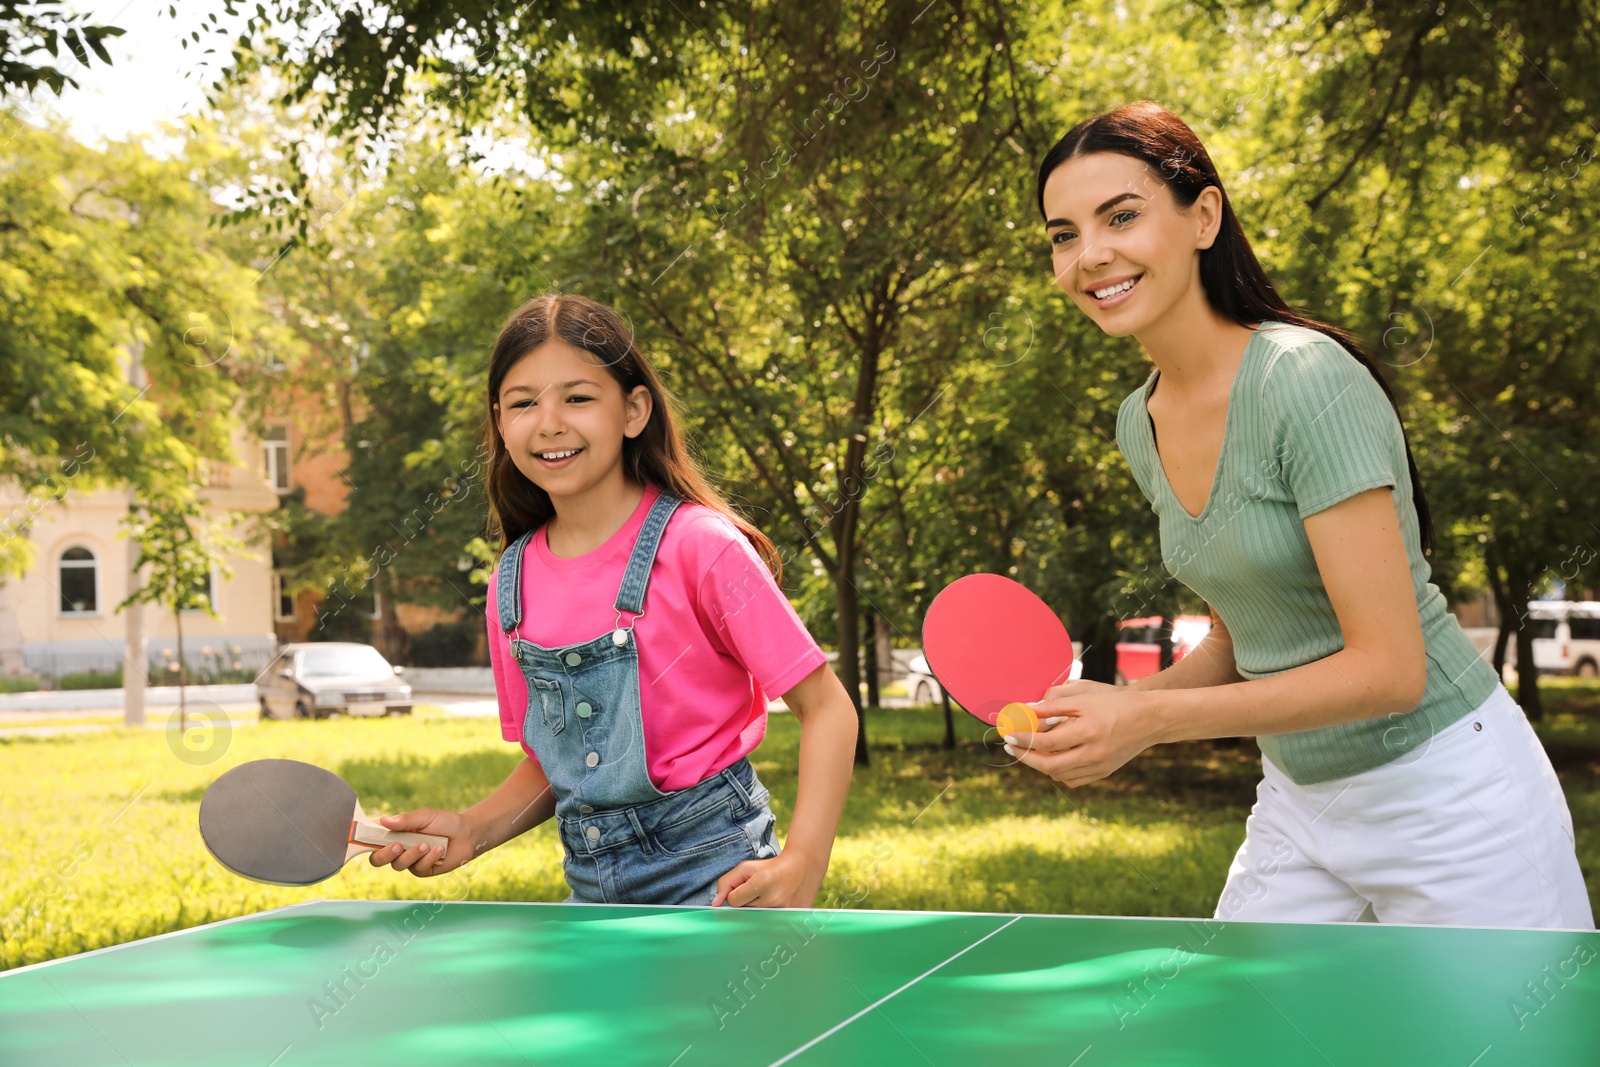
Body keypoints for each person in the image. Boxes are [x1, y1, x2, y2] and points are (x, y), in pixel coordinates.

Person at [1014, 100, 1592, 929]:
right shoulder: (1137, 422)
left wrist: (1148, 717)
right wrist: (1106, 716)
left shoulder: (1304, 381)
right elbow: (1238, 634)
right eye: (1062, 234)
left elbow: (1390, 670)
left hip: (1452, 793)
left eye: (1123, 215)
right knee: (1238, 1038)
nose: (1089, 254)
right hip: (1301, 800)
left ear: (1203, 215)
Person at [369, 293, 858, 907]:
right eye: (523, 403)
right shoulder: (511, 584)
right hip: (593, 901)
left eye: (577, 397)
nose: (549, 422)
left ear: (633, 409)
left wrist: (804, 862)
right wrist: (474, 828)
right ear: (500, 422)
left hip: (721, 887)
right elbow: (561, 763)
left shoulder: (701, 547)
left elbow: (829, 709)